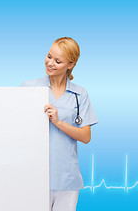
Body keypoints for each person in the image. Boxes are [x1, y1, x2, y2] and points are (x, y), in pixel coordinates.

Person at [20, 37, 98, 211]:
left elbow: (86, 137)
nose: (50, 63)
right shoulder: (28, 89)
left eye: (58, 61)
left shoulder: (80, 95)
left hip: (67, 179)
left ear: (70, 64)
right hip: (33, 175)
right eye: (49, 56)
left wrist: (57, 122)